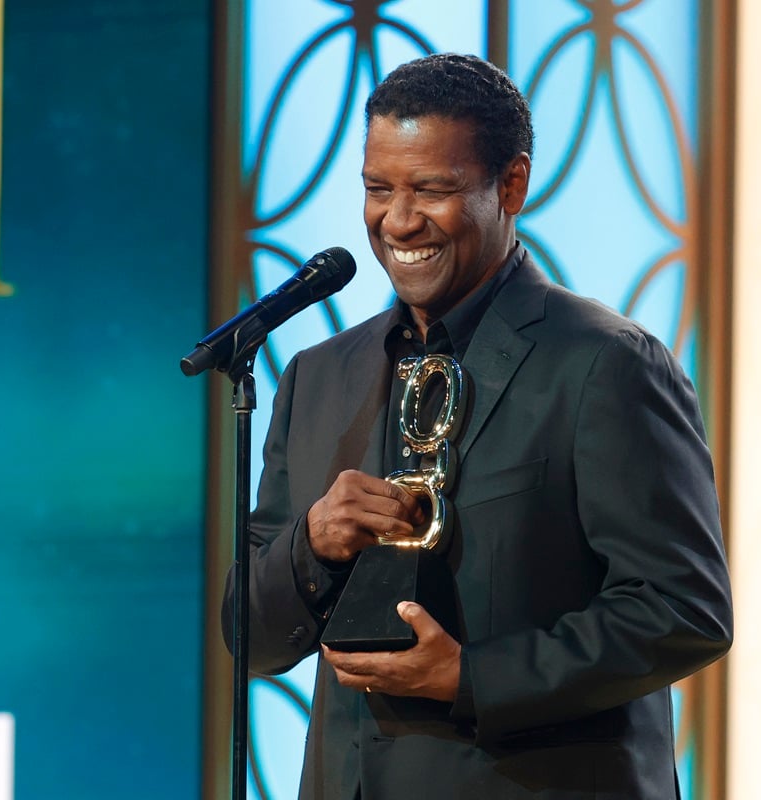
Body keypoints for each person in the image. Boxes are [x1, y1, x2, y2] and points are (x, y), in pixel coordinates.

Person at [223, 53, 732, 799]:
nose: (398, 220)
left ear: (512, 185)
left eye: (433, 189)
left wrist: (472, 677)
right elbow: (253, 638)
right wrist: (314, 543)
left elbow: (683, 610)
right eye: (377, 189)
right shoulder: (317, 376)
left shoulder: (606, 364)